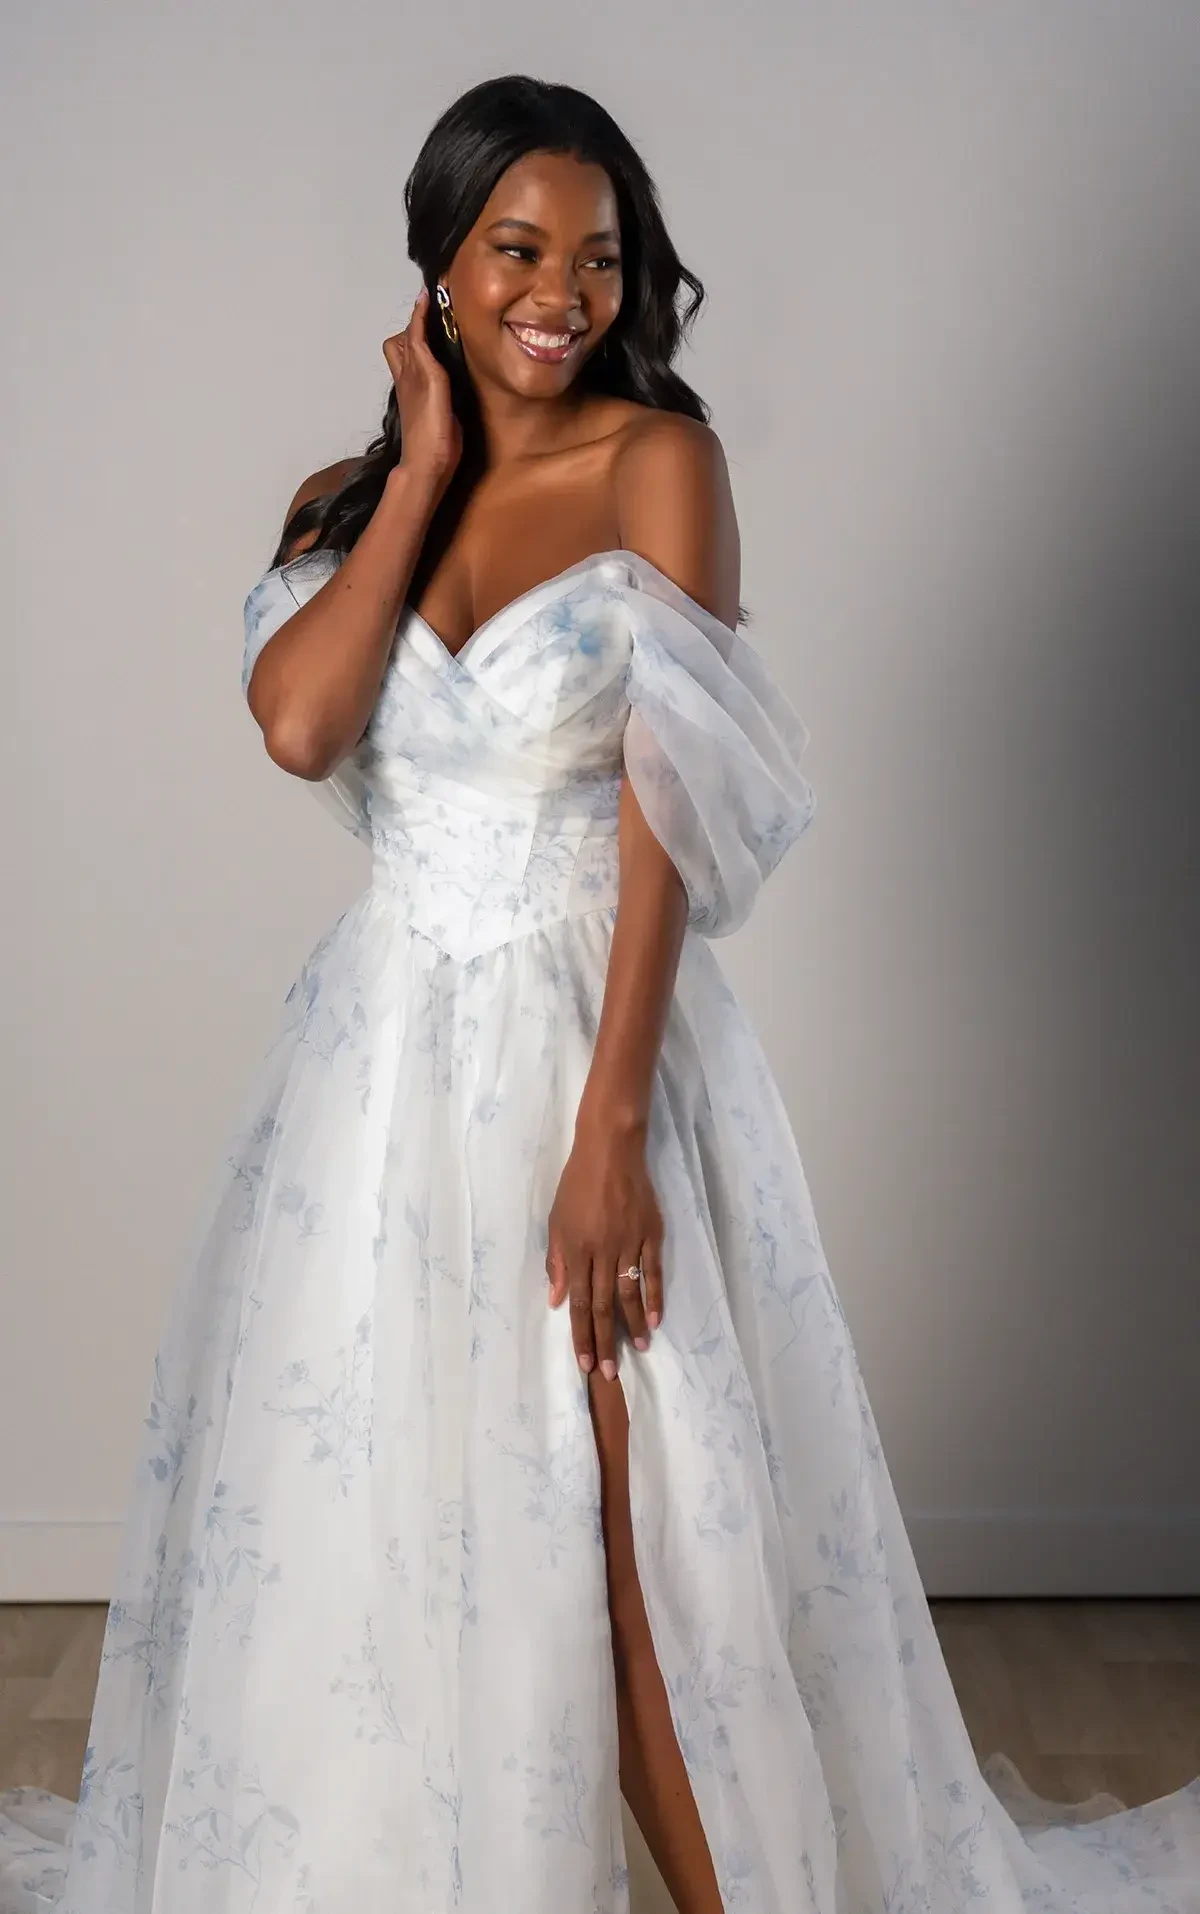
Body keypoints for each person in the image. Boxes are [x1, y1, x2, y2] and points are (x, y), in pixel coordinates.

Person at [1, 69, 1197, 1914]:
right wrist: (416, 465)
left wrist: (613, 1123)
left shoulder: (661, 466)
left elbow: (672, 809)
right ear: (440, 268)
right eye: (517, 249)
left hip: (597, 1041)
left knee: (644, 1549)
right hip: (383, 1074)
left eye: (601, 257)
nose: (561, 291)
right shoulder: (348, 502)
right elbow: (305, 719)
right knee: (397, 1536)